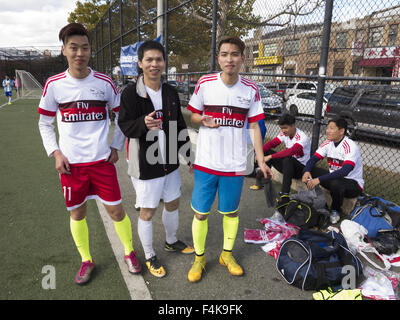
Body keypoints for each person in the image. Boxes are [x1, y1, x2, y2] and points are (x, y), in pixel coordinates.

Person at [37, 23, 142, 285]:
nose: (79, 53)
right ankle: (86, 259)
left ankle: (129, 252)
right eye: (74, 48)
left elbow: (122, 116)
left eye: (84, 47)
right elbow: (44, 123)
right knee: (77, 214)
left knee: (117, 211)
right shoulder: (54, 85)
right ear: (64, 50)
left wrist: (116, 145)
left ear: (90, 50)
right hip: (71, 166)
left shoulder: (104, 82)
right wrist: (56, 152)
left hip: (101, 162)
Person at [186, 36, 273, 283]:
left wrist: (261, 160)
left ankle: (226, 255)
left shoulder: (251, 89)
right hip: (206, 162)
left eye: (234, 54)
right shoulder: (205, 83)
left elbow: (256, 127)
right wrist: (201, 120)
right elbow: (192, 115)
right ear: (219, 57)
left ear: (243, 58)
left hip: (235, 164)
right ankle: (200, 258)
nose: (229, 59)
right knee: (201, 214)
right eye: (224, 54)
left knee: (231, 213)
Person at [118, 40, 194, 278]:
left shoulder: (170, 91)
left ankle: (171, 240)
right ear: (140, 63)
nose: (154, 64)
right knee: (147, 211)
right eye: (149, 60)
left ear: (163, 63)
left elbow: (180, 125)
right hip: (145, 163)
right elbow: (124, 126)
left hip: (169, 159)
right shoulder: (130, 93)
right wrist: (143, 124)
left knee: (172, 203)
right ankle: (150, 254)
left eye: (158, 59)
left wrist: (188, 156)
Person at [302, 117, 364, 224]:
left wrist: (319, 180)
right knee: (311, 171)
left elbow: (344, 171)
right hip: (335, 179)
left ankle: (335, 211)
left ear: (341, 131)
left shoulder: (350, 146)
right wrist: (306, 171)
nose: (327, 131)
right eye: (327, 128)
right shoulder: (328, 143)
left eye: (331, 128)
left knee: (336, 183)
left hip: (352, 184)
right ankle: (318, 202)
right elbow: (313, 159)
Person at [250, 114, 311, 202]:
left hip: (300, 169)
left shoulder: (302, 137)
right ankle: (262, 181)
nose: (283, 131)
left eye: (285, 128)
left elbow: (290, 151)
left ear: (293, 125)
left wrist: (270, 157)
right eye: (281, 128)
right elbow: (272, 143)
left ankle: (284, 193)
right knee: (266, 152)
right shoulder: (284, 134)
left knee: (287, 158)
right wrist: (258, 153)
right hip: (287, 167)